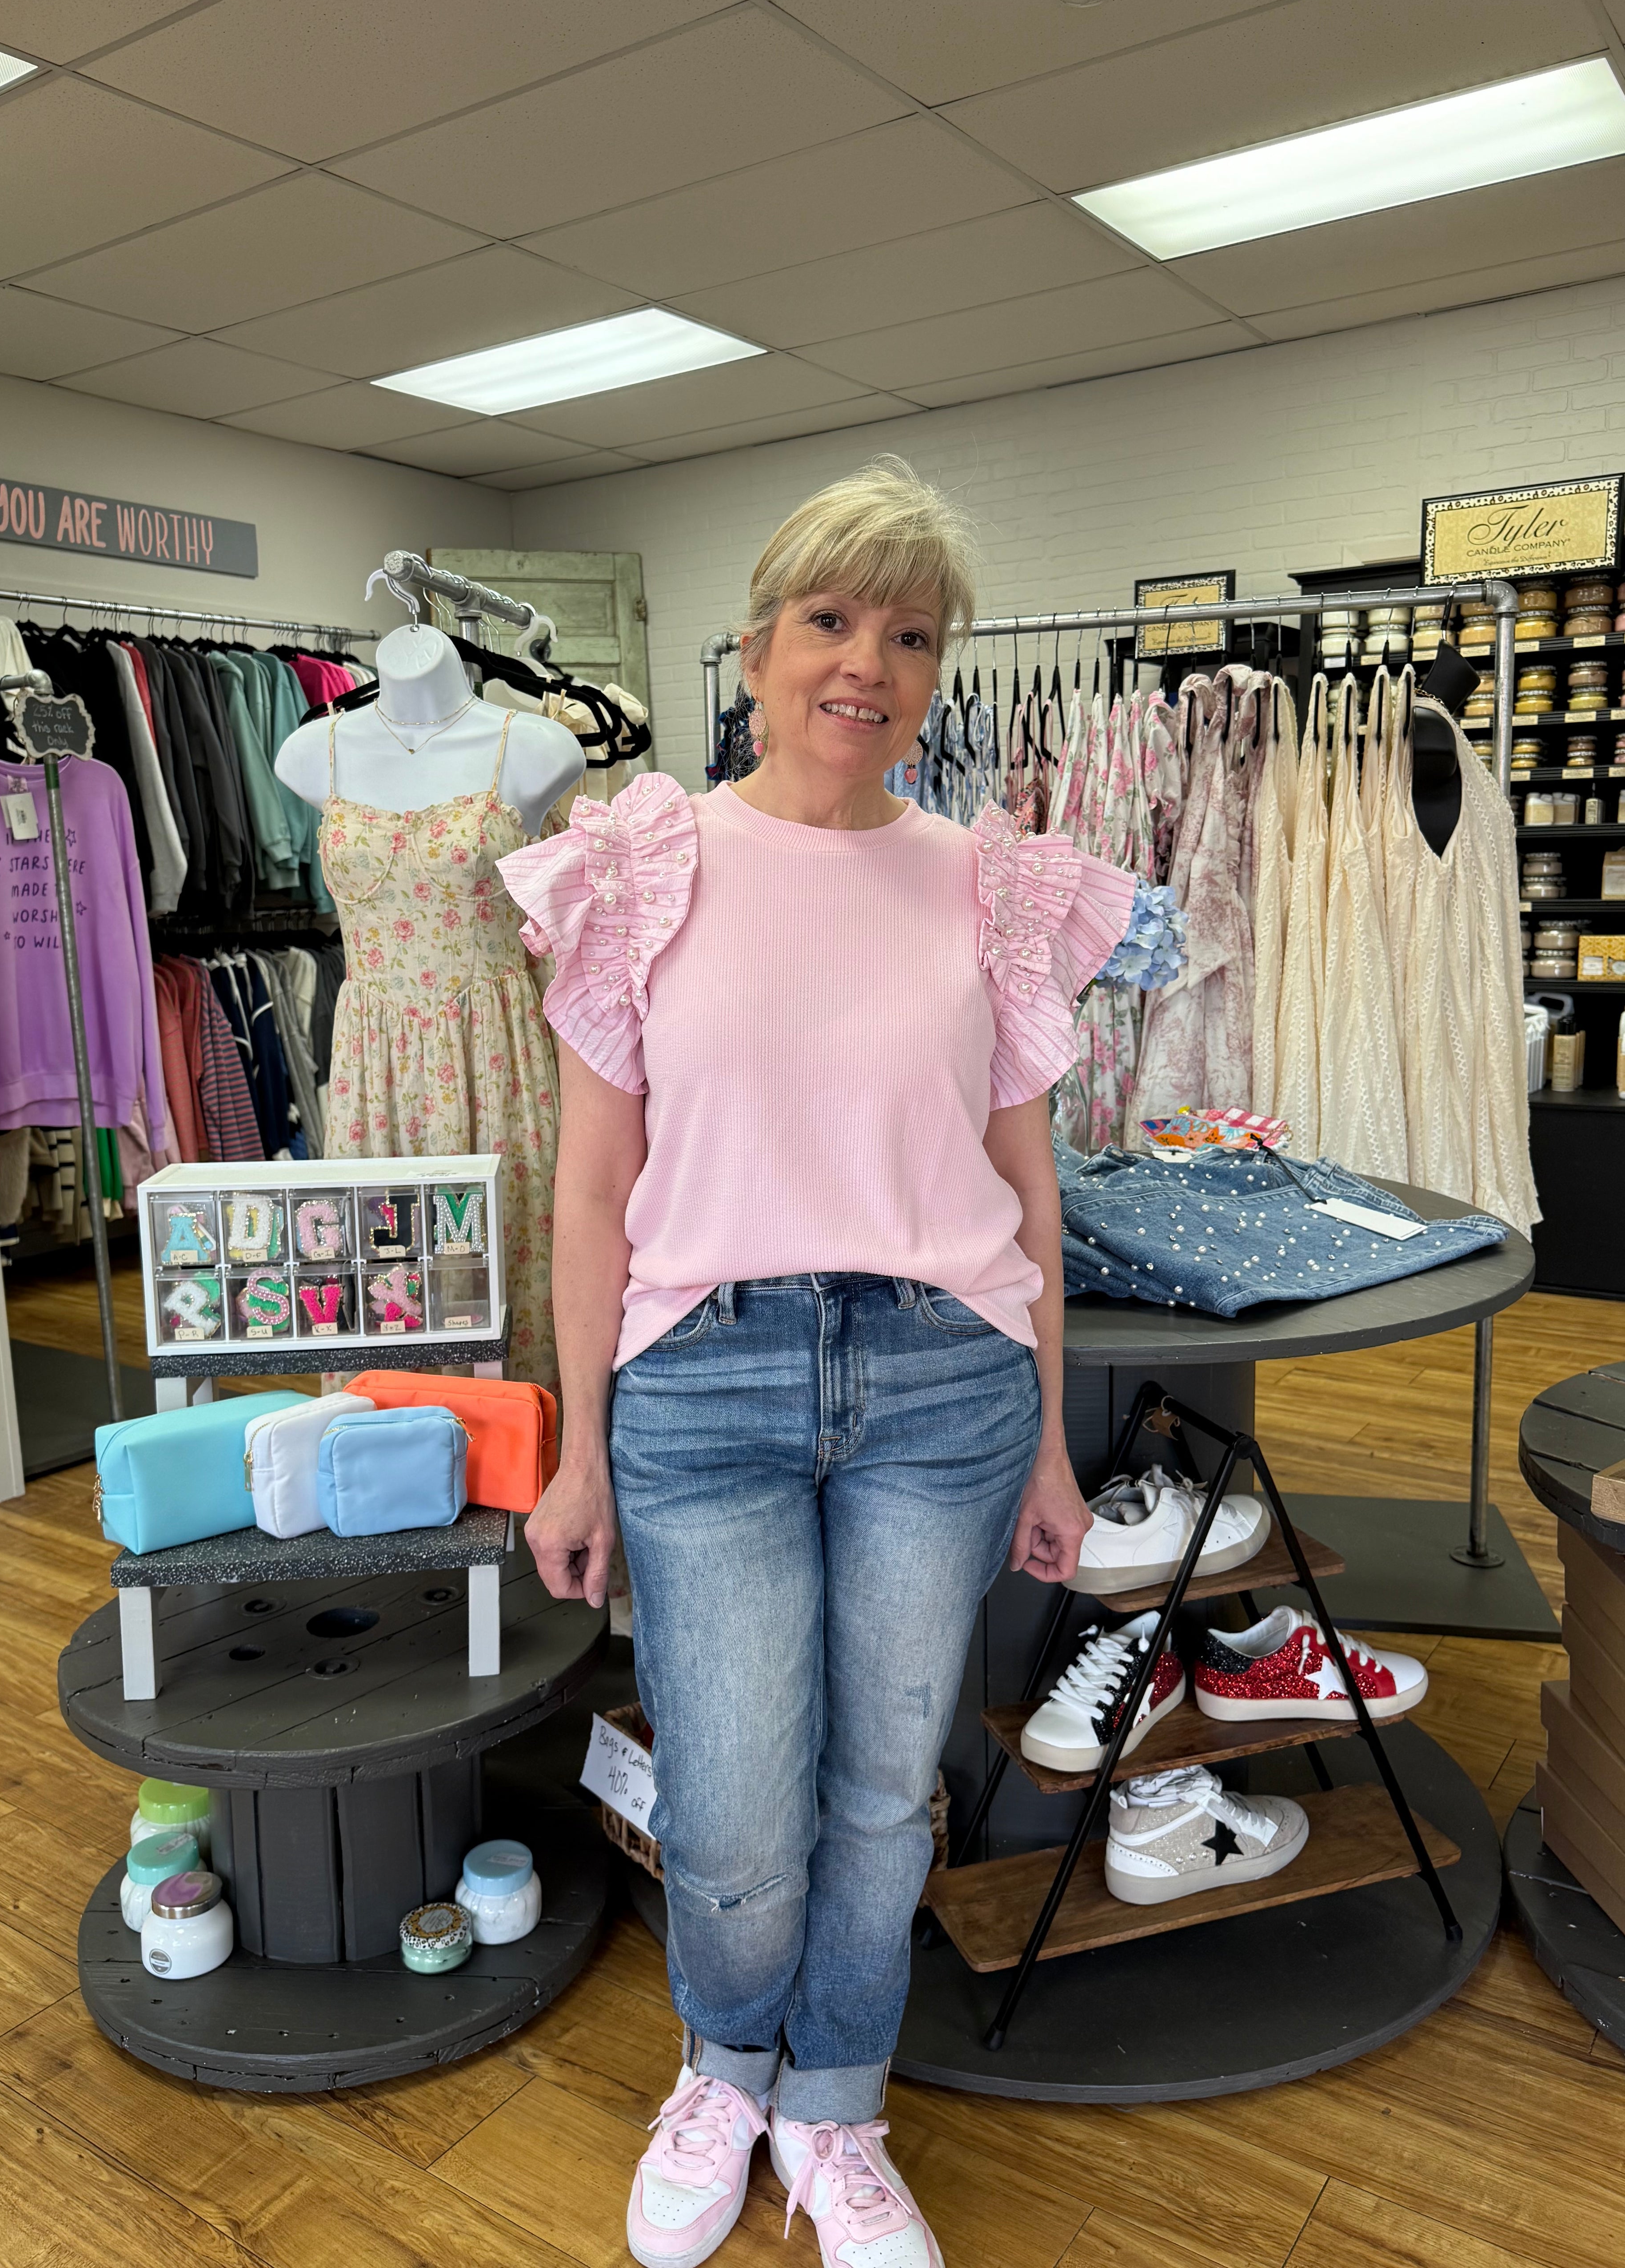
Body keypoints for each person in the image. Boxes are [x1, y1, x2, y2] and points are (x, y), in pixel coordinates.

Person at [498, 457, 1135, 2268]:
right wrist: (581, 1446)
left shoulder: (988, 887)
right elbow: (596, 1185)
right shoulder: (641, 865)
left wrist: (1045, 1444)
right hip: (705, 1382)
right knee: (736, 1781)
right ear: (762, 640)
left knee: (879, 1783)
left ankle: (836, 2104)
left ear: (939, 668)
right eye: (834, 620)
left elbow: (1028, 1177)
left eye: (911, 631)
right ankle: (724, 2070)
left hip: (949, 1380)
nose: (869, 663)